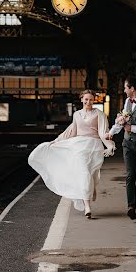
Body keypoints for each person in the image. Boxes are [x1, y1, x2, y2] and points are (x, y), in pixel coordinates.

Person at [28, 89, 115, 218]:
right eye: (86, 99)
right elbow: (72, 131)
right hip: (79, 147)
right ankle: (87, 207)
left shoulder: (99, 114)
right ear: (82, 99)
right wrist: (56, 141)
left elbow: (103, 132)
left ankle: (90, 190)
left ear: (94, 100)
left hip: (95, 147)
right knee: (84, 173)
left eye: (91, 99)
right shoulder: (77, 114)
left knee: (90, 175)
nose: (88, 102)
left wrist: (110, 144)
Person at [107, 76, 136, 220]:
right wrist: (111, 132)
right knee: (129, 175)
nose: (124, 90)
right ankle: (131, 207)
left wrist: (132, 128)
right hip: (128, 144)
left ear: (132, 88)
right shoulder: (127, 101)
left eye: (125, 88)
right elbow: (122, 121)